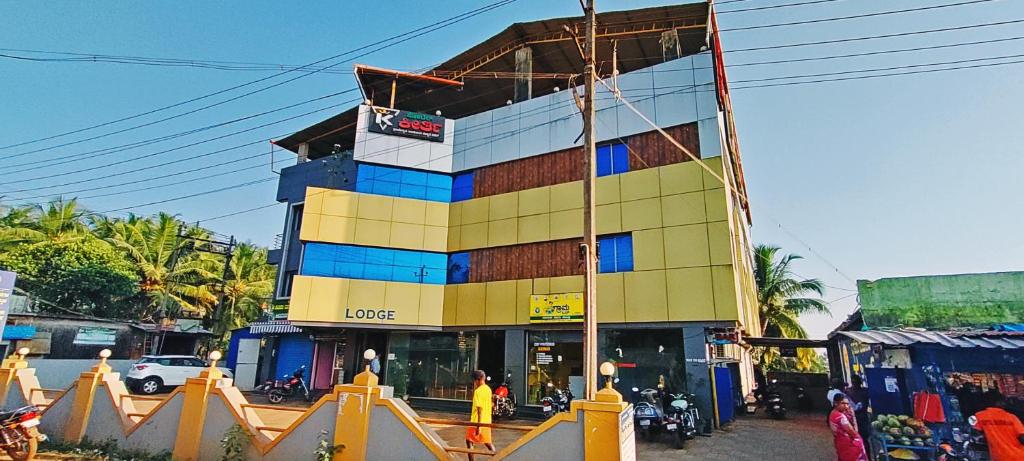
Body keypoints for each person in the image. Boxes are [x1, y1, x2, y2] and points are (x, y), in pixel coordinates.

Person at [466, 370, 495, 460]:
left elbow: (479, 409)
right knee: (488, 443)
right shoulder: (488, 389)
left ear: (477, 380)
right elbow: (490, 405)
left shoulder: (478, 391)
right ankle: (496, 457)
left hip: (476, 422)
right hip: (487, 421)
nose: (474, 383)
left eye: (474, 381)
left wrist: (479, 426)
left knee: (469, 441)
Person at [829, 394, 868, 461]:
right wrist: (853, 416)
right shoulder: (840, 417)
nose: (846, 406)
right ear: (835, 403)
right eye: (843, 403)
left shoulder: (832, 413)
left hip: (840, 444)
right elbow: (853, 432)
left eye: (847, 404)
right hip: (849, 446)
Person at [845, 375, 872, 443]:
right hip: (854, 417)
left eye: (855, 382)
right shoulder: (848, 391)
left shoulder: (864, 391)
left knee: (863, 438)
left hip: (862, 417)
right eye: (853, 382)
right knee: (858, 438)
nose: (855, 384)